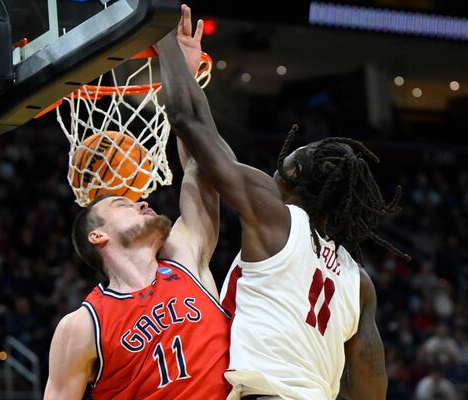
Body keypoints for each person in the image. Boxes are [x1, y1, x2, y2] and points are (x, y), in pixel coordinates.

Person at [157, 8, 411, 399]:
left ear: (292, 179)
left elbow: (187, 120)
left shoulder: (278, 218)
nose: (272, 172)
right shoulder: (359, 282)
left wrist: (162, 38)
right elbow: (371, 390)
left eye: (282, 164)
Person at [43, 6, 231, 400]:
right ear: (97, 235)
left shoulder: (185, 259)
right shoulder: (82, 326)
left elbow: (201, 165)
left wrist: (183, 73)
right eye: (121, 203)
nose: (141, 201)